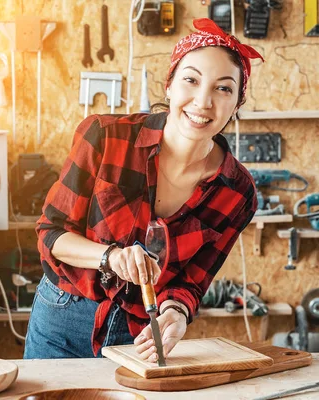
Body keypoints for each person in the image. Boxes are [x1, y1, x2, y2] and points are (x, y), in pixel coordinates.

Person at [24, 18, 263, 362]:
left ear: (237, 104)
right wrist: (111, 257)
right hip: (63, 316)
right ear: (169, 86)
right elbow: (50, 234)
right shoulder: (104, 137)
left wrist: (177, 315)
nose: (203, 101)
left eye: (223, 88)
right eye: (191, 80)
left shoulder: (238, 192)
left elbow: (192, 283)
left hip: (139, 336)